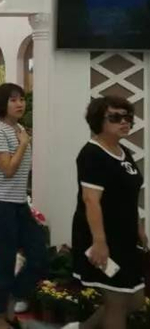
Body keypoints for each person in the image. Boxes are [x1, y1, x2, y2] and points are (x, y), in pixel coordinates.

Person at [63, 96, 147, 329]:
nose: (124, 122)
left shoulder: (123, 151)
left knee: (135, 300)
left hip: (124, 239)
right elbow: (91, 200)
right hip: (100, 239)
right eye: (115, 117)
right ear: (98, 120)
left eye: (128, 117)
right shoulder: (92, 154)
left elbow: (128, 195)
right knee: (117, 301)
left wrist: (139, 227)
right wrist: (99, 242)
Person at [0, 83, 47, 329]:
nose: (20, 104)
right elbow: (8, 170)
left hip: (19, 205)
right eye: (13, 100)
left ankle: (11, 298)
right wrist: (23, 144)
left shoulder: (20, 129)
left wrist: (23, 140)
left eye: (21, 99)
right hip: (0, 206)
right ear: (3, 104)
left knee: (39, 255)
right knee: (5, 262)